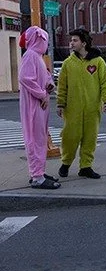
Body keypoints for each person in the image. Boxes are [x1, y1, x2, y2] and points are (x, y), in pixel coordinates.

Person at [56, 28, 106, 179]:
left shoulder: (98, 62)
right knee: (70, 137)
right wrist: (60, 104)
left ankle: (86, 166)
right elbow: (62, 86)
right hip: (72, 109)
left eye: (75, 40)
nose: (71, 43)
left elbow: (105, 83)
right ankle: (66, 163)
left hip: (92, 108)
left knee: (90, 137)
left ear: (84, 43)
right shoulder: (68, 63)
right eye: (71, 40)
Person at [18, 26, 60, 189]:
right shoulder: (31, 56)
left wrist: (48, 87)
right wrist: (42, 94)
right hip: (34, 104)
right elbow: (25, 78)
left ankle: (39, 172)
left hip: (39, 103)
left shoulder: (37, 56)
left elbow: (45, 77)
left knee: (40, 138)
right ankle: (37, 177)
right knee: (35, 139)